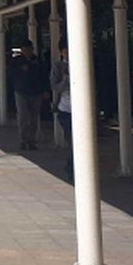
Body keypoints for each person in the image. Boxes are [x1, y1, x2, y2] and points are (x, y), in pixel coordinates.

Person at [10, 40, 49, 150]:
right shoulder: (16, 61)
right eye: (25, 49)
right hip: (21, 91)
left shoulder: (38, 61)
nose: (27, 51)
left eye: (29, 49)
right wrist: (20, 71)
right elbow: (11, 73)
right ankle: (23, 139)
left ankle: (32, 140)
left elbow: (44, 75)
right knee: (23, 116)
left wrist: (45, 90)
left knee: (34, 117)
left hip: (36, 92)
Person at [51, 41, 73, 177]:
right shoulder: (58, 67)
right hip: (64, 108)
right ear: (61, 53)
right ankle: (71, 168)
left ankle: (71, 166)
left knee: (78, 141)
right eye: (65, 51)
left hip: (80, 110)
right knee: (72, 139)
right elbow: (55, 87)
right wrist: (66, 79)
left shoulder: (84, 62)